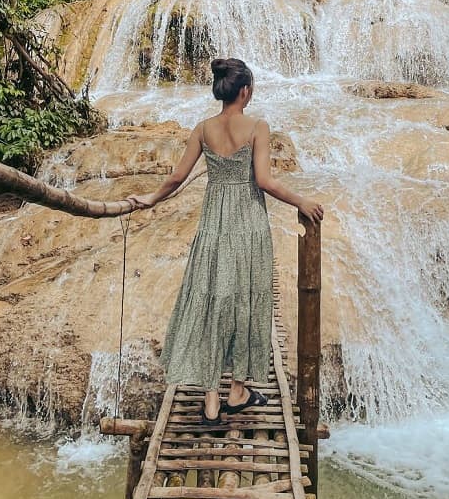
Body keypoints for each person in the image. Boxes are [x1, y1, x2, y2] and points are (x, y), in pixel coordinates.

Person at [127, 57, 324, 424]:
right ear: (245, 91)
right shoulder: (257, 128)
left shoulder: (203, 129)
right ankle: (238, 390)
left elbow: (176, 178)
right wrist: (302, 201)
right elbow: (264, 181)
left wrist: (150, 198)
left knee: (211, 301)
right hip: (248, 223)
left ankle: (212, 400)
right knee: (244, 301)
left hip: (214, 224)